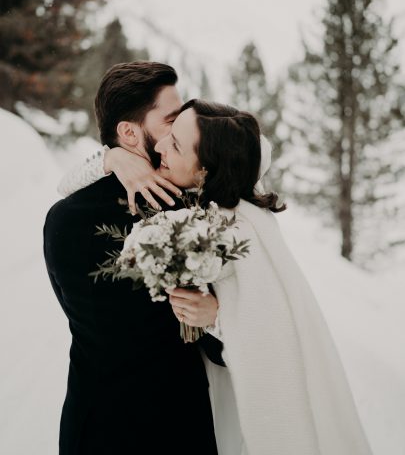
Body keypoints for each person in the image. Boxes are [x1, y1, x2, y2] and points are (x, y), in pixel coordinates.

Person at [60, 97, 373, 455]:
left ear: (204, 171)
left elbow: (275, 339)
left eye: (175, 144)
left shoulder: (238, 230)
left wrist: (217, 317)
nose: (160, 145)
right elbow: (65, 187)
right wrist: (112, 159)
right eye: (170, 131)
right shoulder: (197, 173)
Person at [43, 63, 218, 455]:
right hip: (176, 427)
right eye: (171, 121)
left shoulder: (61, 218)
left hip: (91, 427)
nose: (179, 134)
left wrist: (111, 160)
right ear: (129, 131)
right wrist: (217, 315)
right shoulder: (186, 211)